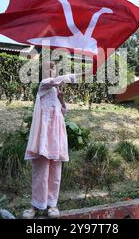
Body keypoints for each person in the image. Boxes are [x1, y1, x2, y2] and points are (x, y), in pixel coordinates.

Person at [22, 62, 87, 219]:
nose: (51, 69)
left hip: (57, 137)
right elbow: (54, 80)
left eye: (53, 67)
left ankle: (52, 204)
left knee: (55, 172)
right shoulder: (43, 85)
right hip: (43, 137)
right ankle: (35, 205)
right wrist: (79, 75)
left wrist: (61, 98)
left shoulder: (56, 90)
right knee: (40, 171)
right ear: (42, 72)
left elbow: (62, 112)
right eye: (48, 67)